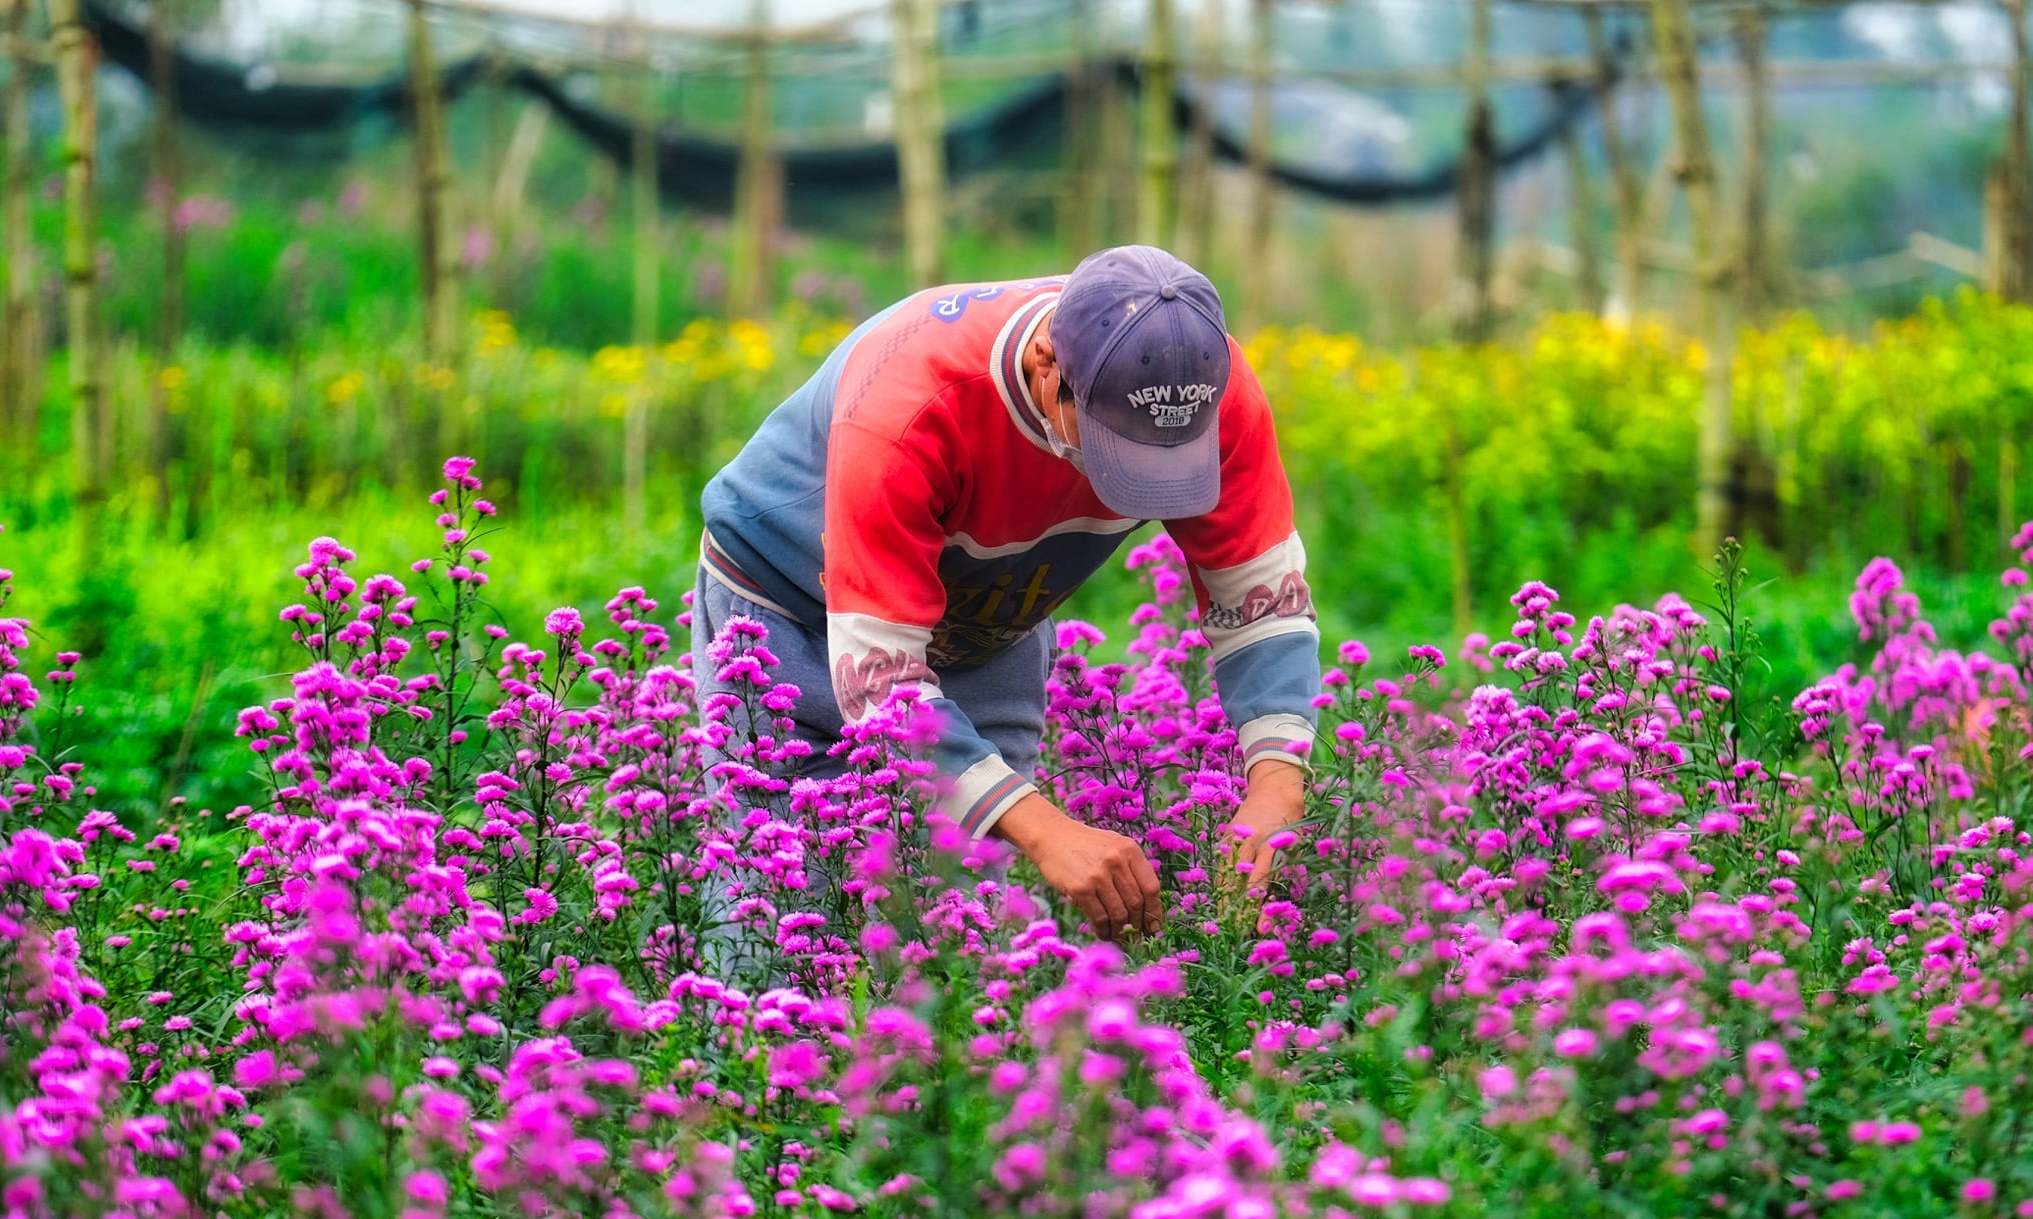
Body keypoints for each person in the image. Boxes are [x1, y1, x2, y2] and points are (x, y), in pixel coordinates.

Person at [692, 245, 1319, 940]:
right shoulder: (913, 402)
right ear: (1047, 363)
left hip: (988, 618)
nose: (1139, 482)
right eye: (1117, 446)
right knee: (775, 910)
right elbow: (879, 680)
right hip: (781, 612)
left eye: (1169, 459)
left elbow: (1262, 598)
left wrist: (1277, 781)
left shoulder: (1201, 384)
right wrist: (1047, 830)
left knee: (962, 924)